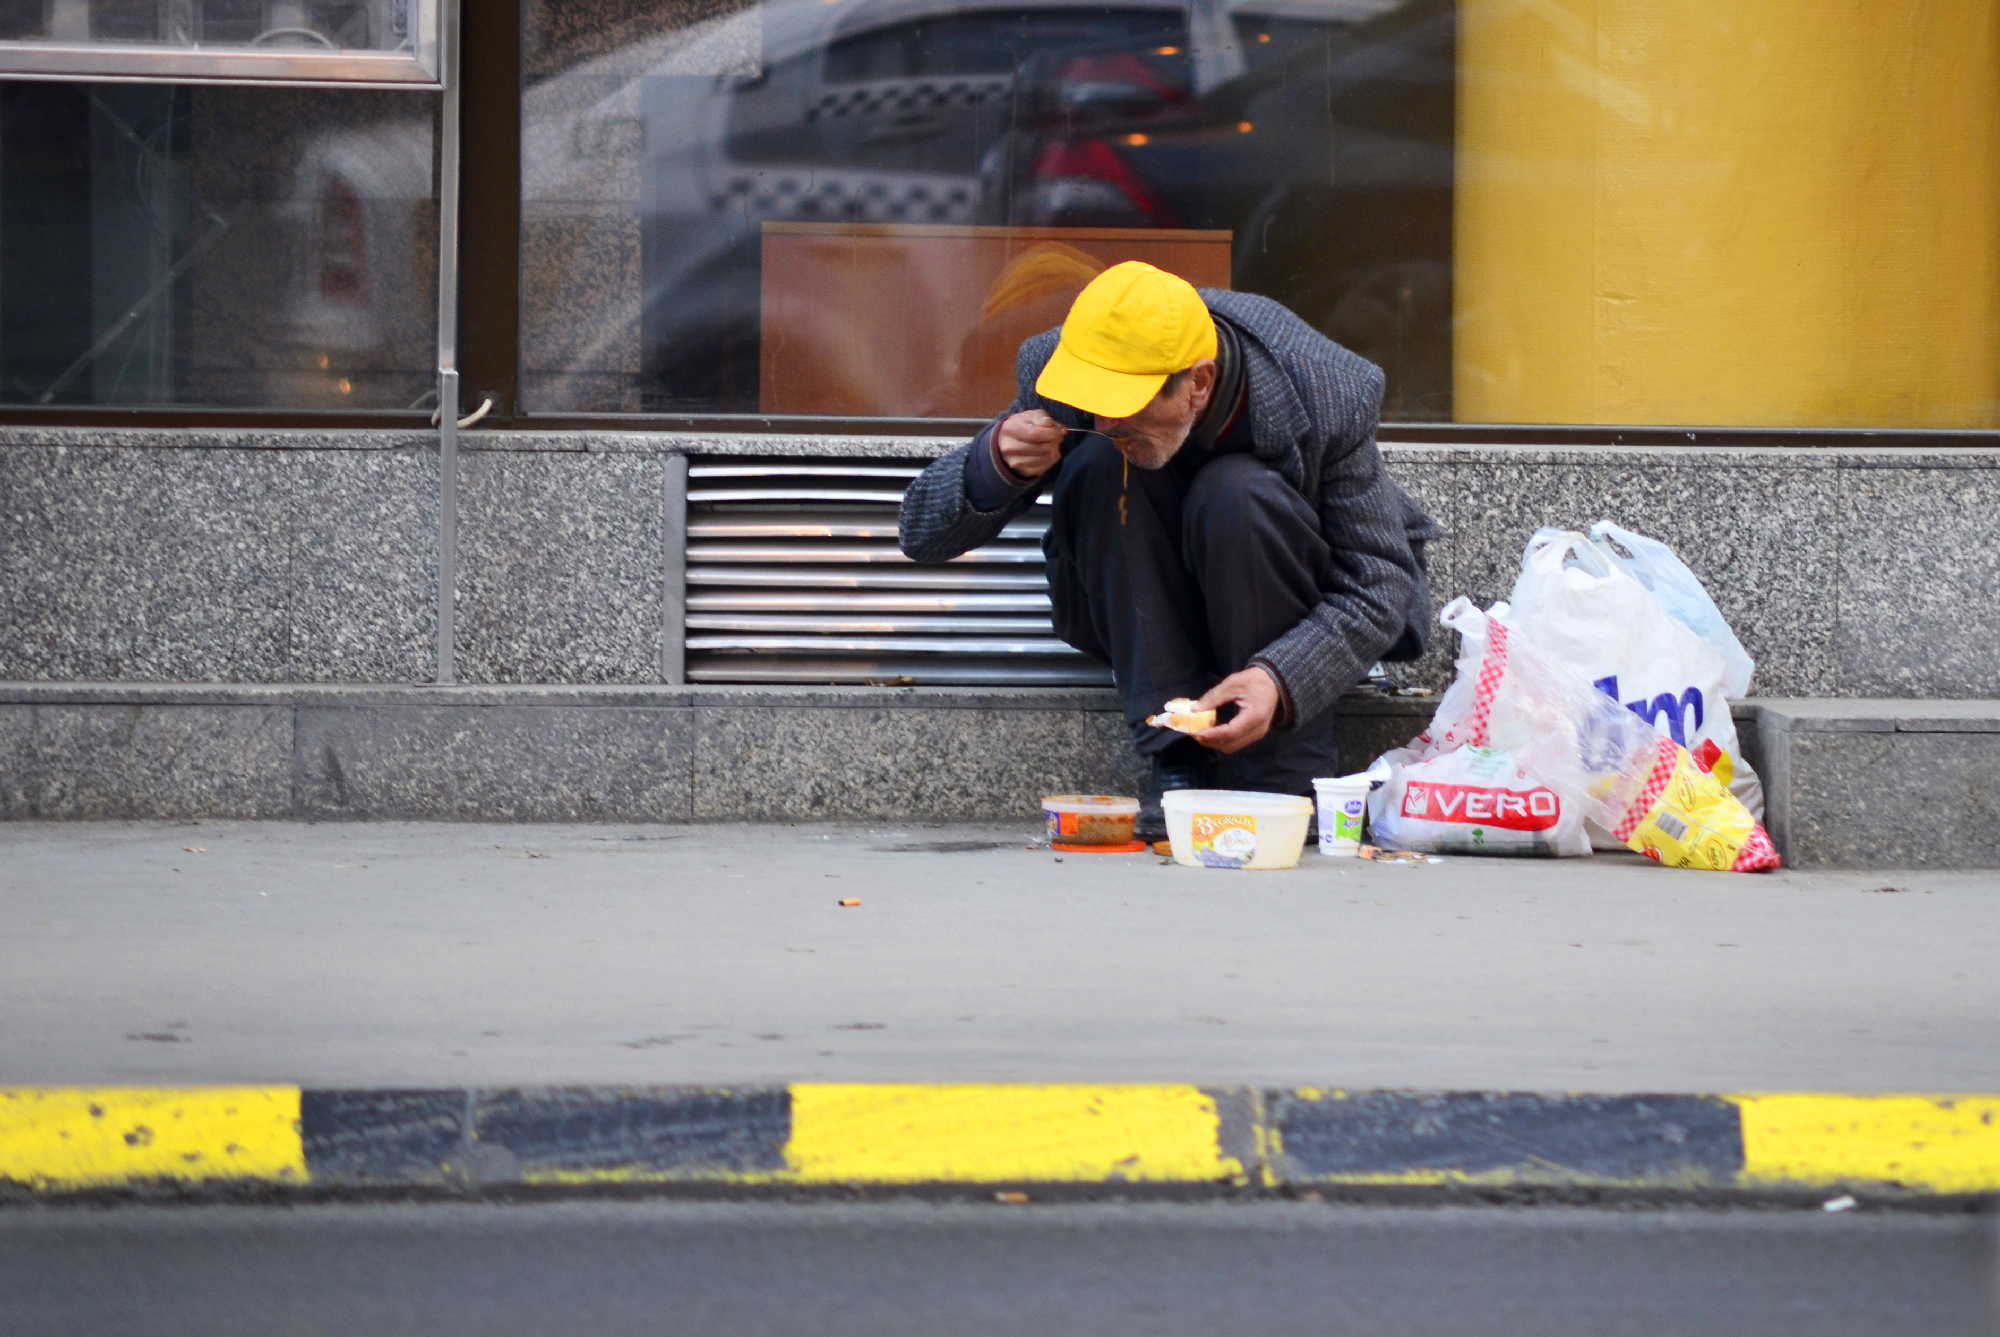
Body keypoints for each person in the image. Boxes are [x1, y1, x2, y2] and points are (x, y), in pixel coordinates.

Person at [898, 260, 1440, 825]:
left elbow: (1379, 584)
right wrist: (997, 461)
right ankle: (1175, 754)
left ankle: (1277, 771)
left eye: (1125, 400)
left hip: (1274, 578)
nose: (1104, 417)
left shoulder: (1326, 388)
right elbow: (921, 535)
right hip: (1137, 585)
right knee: (1104, 461)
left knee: (1237, 492)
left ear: (1199, 383)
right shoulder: (1069, 367)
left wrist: (1280, 679)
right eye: (1097, 399)